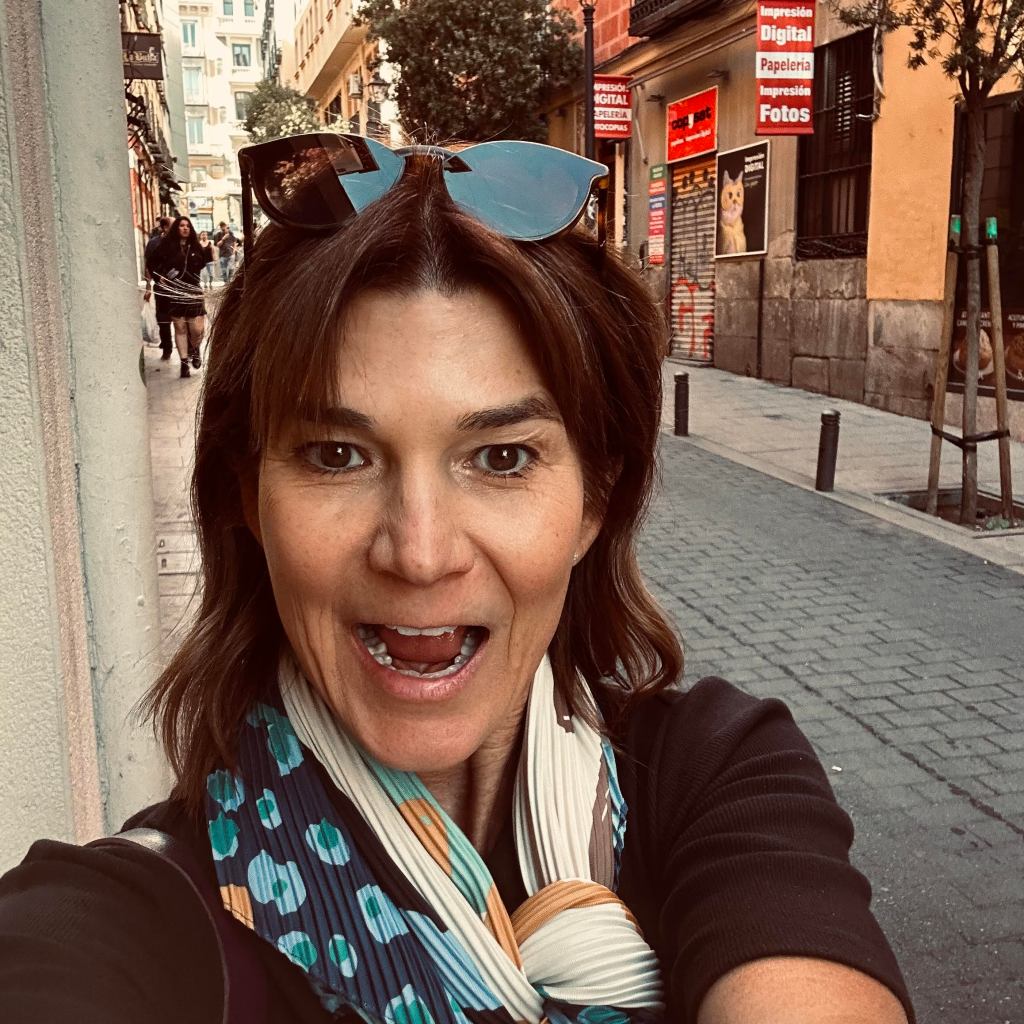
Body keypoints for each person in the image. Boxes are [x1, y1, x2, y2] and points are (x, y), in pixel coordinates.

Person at [0, 136, 915, 1024]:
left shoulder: (716, 775)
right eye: (336, 453)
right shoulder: (143, 914)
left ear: (598, 499)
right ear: (248, 492)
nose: (422, 551)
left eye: (503, 456)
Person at [147, 215, 207, 378]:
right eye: (181, 225)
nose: (185, 228)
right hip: (175, 292)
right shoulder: (167, 246)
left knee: (196, 330)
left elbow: (203, 263)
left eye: (188, 225)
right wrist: (159, 277)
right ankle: (184, 364)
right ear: (176, 228)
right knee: (180, 328)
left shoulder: (195, 246)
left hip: (193, 291)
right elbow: (151, 262)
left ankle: (194, 349)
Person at [143, 216, 174, 360]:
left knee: (183, 320)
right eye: (173, 226)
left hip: (179, 286)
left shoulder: (181, 241)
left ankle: (189, 351)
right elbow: (148, 266)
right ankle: (167, 347)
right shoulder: (153, 244)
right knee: (163, 318)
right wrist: (148, 287)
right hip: (161, 287)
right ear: (165, 228)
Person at [214, 219, 237, 284]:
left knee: (231, 268)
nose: (223, 228)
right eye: (222, 227)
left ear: (226, 226)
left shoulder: (231, 233)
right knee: (223, 270)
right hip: (222, 255)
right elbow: (218, 245)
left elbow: (235, 241)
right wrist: (223, 238)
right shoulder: (218, 234)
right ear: (220, 227)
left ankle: (229, 282)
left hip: (231, 254)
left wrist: (234, 250)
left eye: (224, 226)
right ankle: (226, 283)